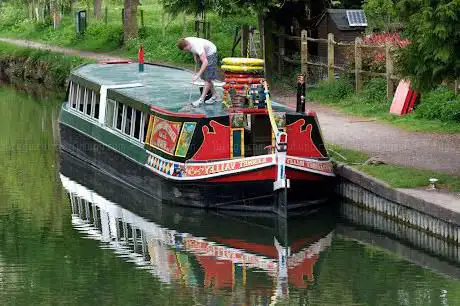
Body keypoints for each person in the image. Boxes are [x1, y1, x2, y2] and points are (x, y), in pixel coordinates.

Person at [177, 37, 219, 107]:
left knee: (207, 78)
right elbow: (193, 51)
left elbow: (205, 62)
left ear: (187, 45)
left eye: (186, 49)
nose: (187, 51)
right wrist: (195, 57)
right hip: (204, 52)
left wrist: (197, 75)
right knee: (204, 77)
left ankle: (201, 100)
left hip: (211, 53)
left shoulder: (197, 46)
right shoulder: (186, 41)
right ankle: (215, 95)